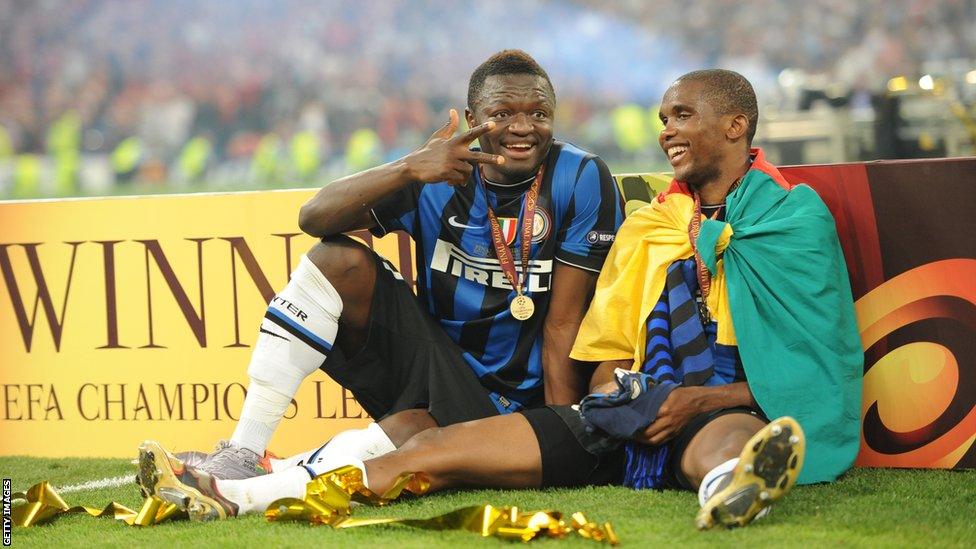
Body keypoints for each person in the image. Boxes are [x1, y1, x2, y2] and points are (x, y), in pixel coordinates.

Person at [139, 69, 862, 530]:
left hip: (671, 408)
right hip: (521, 391)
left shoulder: (779, 218)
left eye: (682, 116)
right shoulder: (660, 224)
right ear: (472, 114)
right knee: (352, 296)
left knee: (720, 443)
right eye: (663, 117)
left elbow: (572, 328)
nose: (666, 130)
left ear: (736, 125)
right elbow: (610, 348)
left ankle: (732, 486)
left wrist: (661, 408)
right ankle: (237, 472)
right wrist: (409, 168)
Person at [183, 49, 624, 480]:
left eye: (539, 113)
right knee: (338, 258)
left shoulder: (582, 177)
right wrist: (409, 168)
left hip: (519, 403)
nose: (523, 127)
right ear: (473, 120)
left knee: (409, 435)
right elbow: (313, 218)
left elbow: (562, 324)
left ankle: (263, 476)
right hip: (437, 368)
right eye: (503, 113)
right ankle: (244, 449)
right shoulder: (436, 172)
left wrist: (557, 438)